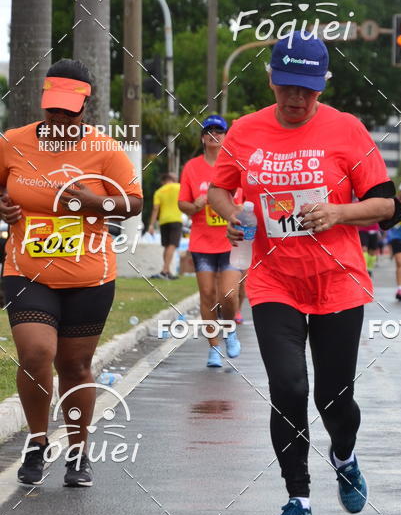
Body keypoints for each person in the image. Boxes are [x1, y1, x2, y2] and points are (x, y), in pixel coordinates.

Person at [207, 32, 401, 515]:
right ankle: (297, 499)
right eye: (288, 86)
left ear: (324, 84)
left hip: (338, 282)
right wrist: (232, 216)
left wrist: (338, 211)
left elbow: (387, 206)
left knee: (334, 399)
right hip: (275, 282)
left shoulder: (348, 130)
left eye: (308, 89)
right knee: (288, 387)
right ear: (271, 78)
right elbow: (219, 189)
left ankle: (345, 454)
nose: (297, 99)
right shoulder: (246, 131)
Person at [0, 59, 143, 487]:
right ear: (44, 102)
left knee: (76, 366)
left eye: (70, 110)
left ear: (86, 106)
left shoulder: (105, 149)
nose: (60, 117)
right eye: (53, 109)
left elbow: (133, 203)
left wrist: (94, 203)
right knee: (36, 353)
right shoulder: (12, 142)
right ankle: (38, 440)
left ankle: (78, 451)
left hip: (89, 275)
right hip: (26, 269)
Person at [178, 115, 242, 367]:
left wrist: (231, 209)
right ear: (203, 138)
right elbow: (182, 203)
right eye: (209, 131)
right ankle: (214, 348)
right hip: (202, 243)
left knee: (227, 294)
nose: (214, 135)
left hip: (231, 242)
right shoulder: (192, 167)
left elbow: (247, 201)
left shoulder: (235, 165)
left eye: (219, 131)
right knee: (207, 295)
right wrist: (194, 206)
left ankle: (230, 331)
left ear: (226, 137)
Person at [148, 172, 183, 278]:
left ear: (163, 182)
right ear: (172, 179)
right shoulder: (179, 187)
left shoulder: (159, 191)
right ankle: (164, 270)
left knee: (167, 246)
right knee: (172, 245)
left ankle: (166, 271)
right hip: (176, 219)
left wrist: (151, 225)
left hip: (163, 221)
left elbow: (155, 209)